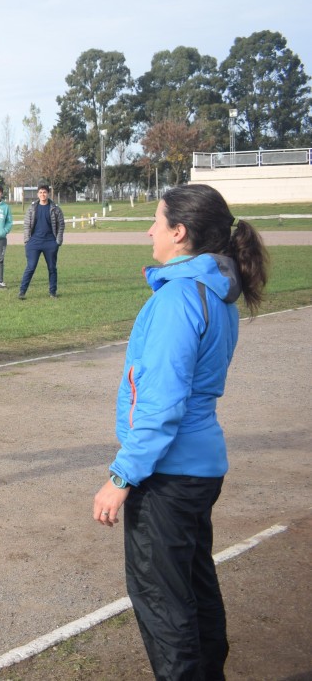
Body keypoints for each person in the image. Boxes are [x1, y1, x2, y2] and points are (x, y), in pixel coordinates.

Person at [92, 184, 268, 681]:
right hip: (200, 468)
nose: (150, 230)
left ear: (179, 232)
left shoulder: (177, 300)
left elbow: (162, 404)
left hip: (168, 474)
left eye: (156, 220)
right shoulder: (217, 293)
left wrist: (121, 477)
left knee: (165, 606)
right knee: (194, 588)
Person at [18, 184, 65, 299]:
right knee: (31, 267)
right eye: (40, 192)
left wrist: (57, 241)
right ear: (37, 194)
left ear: (48, 194)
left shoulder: (55, 208)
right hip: (34, 243)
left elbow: (61, 225)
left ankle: (52, 292)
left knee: (52, 268)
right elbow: (26, 225)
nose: (42, 194)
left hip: (50, 243)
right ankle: (22, 291)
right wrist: (27, 241)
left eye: (44, 192)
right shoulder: (32, 208)